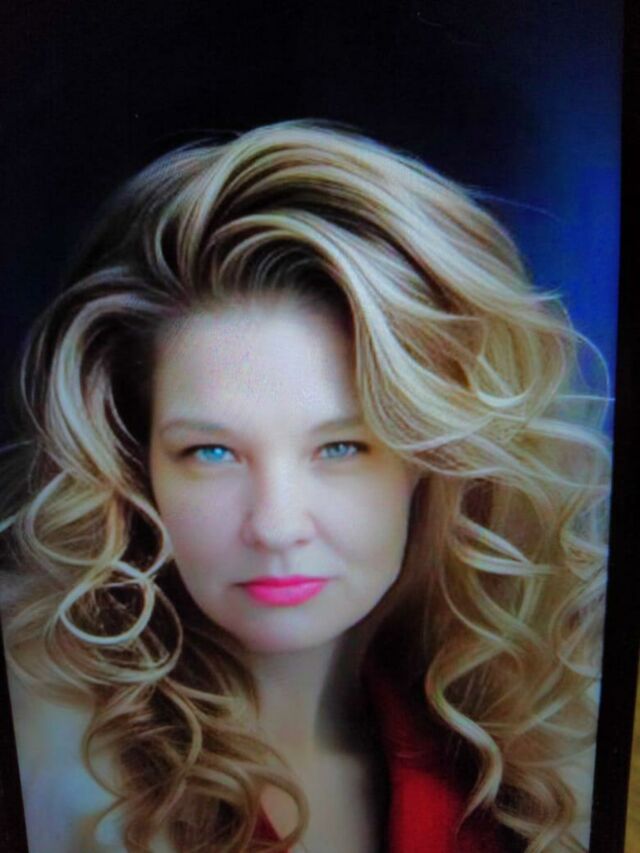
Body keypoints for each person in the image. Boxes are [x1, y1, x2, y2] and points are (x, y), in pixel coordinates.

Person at [0, 121, 609, 852]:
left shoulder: (534, 765)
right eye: (212, 451)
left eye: (342, 447)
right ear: (136, 463)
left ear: (433, 459)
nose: (277, 525)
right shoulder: (48, 780)